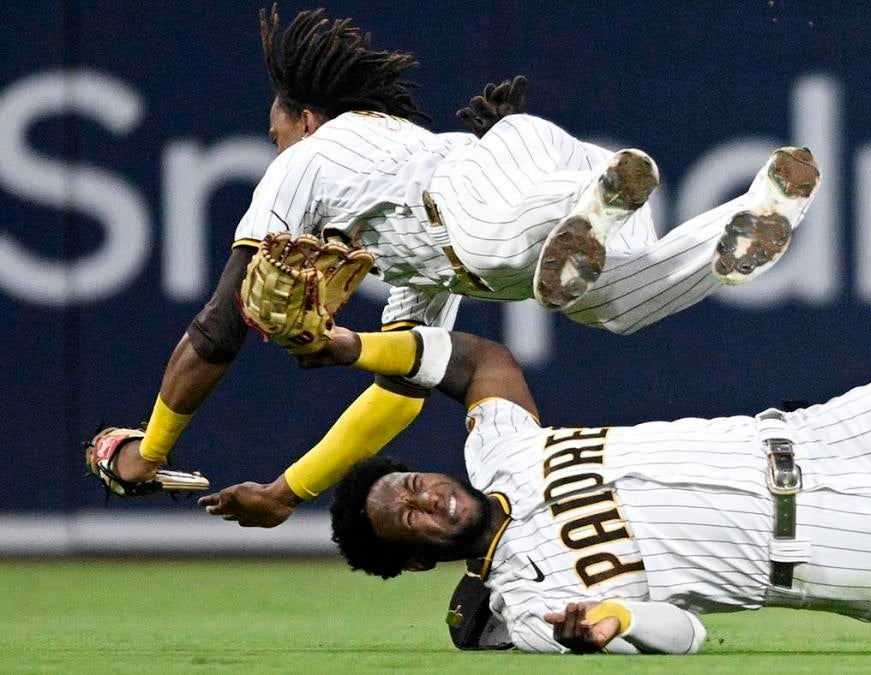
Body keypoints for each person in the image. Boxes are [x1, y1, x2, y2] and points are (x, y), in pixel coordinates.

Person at [92, 5, 821, 524]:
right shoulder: (387, 221)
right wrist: (289, 489)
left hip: (495, 191)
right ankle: (741, 217)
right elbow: (405, 384)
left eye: (276, 131)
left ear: (305, 118)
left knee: (489, 243)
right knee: (617, 305)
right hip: (534, 176)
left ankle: (596, 204)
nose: (276, 147)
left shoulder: (312, 157)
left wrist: (150, 451)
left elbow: (218, 325)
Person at [307, 323, 871, 654]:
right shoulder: (533, 599)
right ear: (417, 560)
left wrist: (354, 346)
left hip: (830, 434)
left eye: (411, 484)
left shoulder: (503, 453)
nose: (424, 501)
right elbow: (684, 635)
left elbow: (483, 362)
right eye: (408, 520)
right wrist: (610, 622)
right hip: (837, 553)